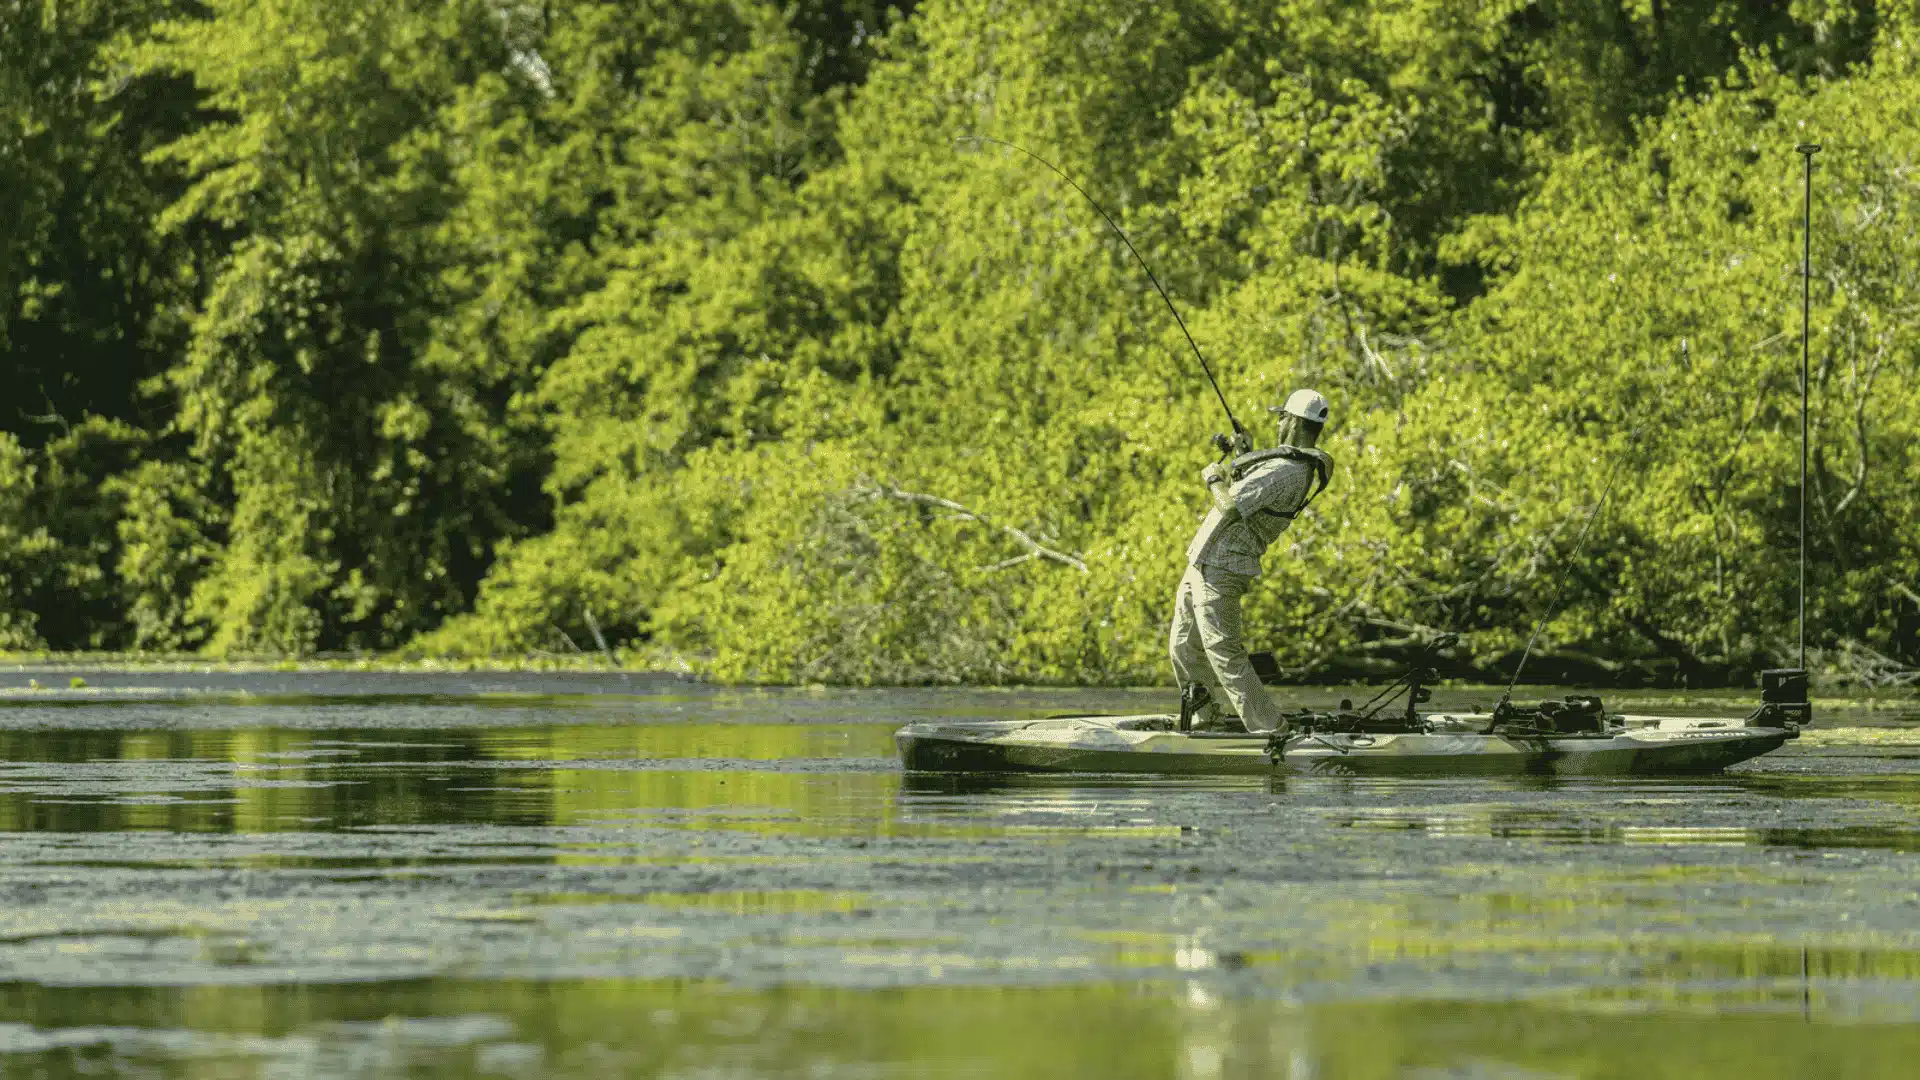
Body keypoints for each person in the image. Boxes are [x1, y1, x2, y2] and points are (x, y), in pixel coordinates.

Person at [1167, 388, 1333, 733]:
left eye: (1281, 416)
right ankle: (1205, 718)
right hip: (1203, 560)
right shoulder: (1284, 465)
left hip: (1223, 566)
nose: (1278, 422)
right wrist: (1245, 452)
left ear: (1293, 421)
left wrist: (1214, 477)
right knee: (1182, 646)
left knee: (1223, 651)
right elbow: (1250, 492)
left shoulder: (1287, 471)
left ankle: (1271, 730)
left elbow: (1228, 506)